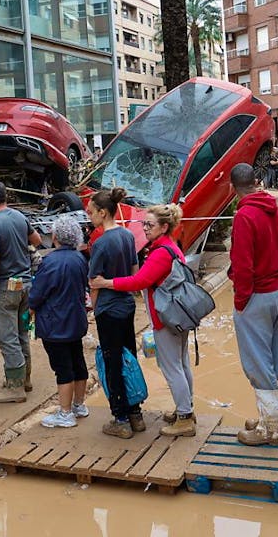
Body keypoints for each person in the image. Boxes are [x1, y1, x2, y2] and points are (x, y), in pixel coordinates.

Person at [91, 204, 196, 437]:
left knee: (171, 367)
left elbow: (140, 281)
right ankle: (185, 409)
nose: (145, 229)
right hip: (179, 315)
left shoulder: (160, 253)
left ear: (164, 226)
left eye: (149, 225)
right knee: (181, 363)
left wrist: (106, 283)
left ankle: (185, 417)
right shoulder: (171, 247)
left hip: (166, 318)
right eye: (143, 224)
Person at [228, 164, 278, 447]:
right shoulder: (272, 208)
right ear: (256, 181)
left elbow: (243, 265)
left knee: (257, 361)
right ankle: (267, 418)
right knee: (273, 357)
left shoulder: (244, 215)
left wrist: (241, 301)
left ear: (232, 188)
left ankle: (272, 430)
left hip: (256, 295)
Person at [87, 187, 144, 438]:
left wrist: (93, 308)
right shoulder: (127, 236)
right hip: (127, 305)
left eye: (91, 212)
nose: (88, 216)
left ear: (103, 212)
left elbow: (94, 282)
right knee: (128, 356)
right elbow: (134, 268)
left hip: (108, 308)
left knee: (112, 362)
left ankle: (119, 418)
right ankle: (135, 412)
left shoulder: (100, 243)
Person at [0, 181, 42, 403]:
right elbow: (37, 240)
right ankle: (25, 379)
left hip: (4, 286)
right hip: (25, 285)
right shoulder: (18, 216)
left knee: (6, 337)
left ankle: (15, 387)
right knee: (21, 332)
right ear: (6, 196)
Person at [30, 215, 90, 429]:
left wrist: (30, 305)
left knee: (63, 368)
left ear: (55, 236)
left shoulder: (51, 261)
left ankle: (65, 413)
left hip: (55, 322)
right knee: (78, 362)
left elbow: (38, 294)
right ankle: (78, 405)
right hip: (75, 319)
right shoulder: (80, 258)